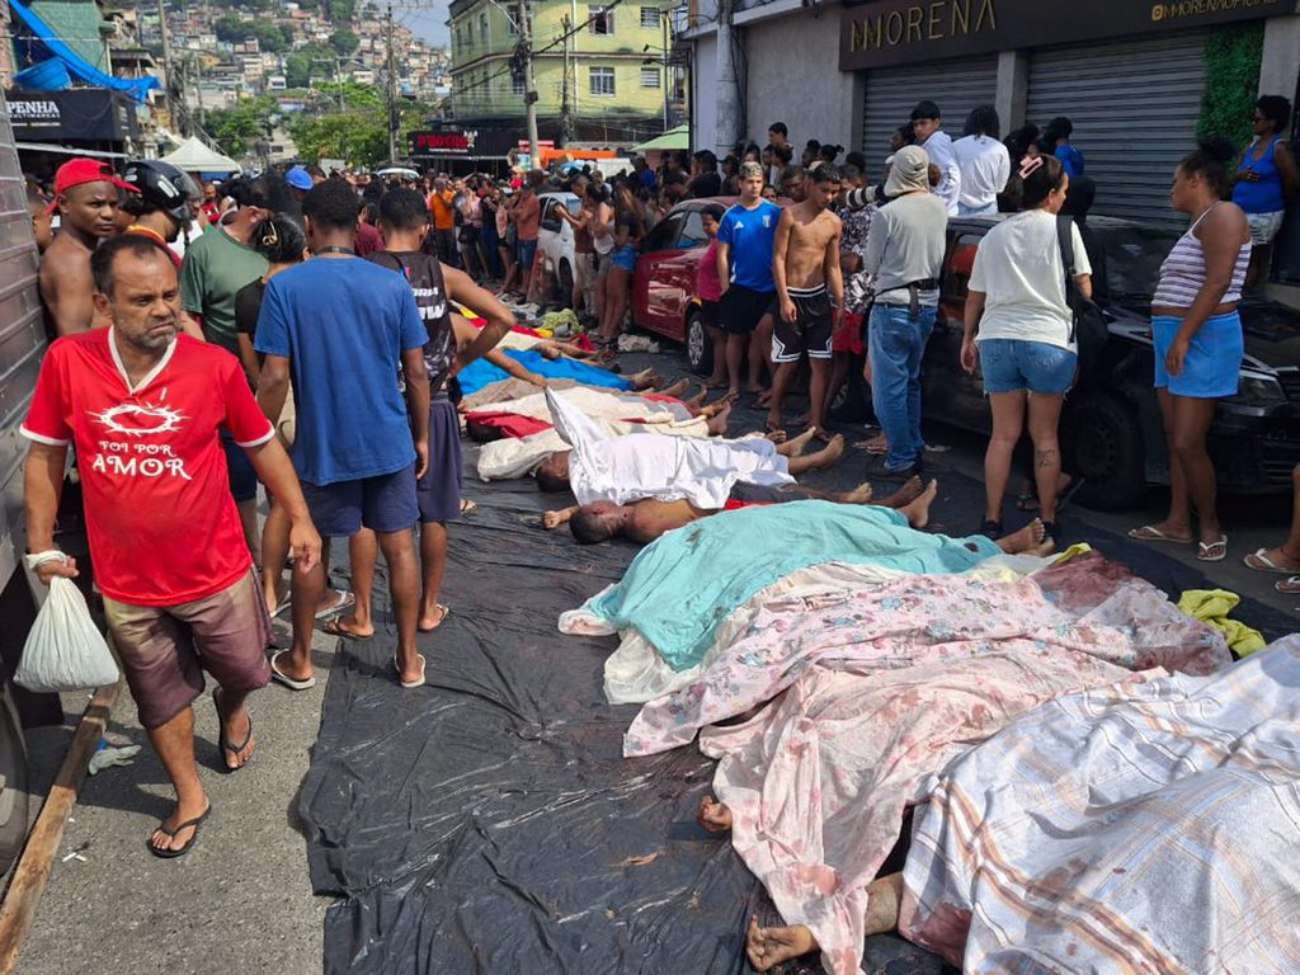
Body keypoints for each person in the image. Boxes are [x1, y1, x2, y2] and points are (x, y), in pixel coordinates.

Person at [21, 233, 321, 857]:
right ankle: (189, 794)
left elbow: (261, 442)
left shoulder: (211, 366)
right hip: (128, 583)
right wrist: (41, 545)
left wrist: (299, 516)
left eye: (169, 296)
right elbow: (46, 455)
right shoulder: (68, 363)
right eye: (143, 299)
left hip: (218, 571)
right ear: (103, 303)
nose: (164, 310)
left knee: (245, 670)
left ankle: (231, 709)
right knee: (156, 695)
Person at [254, 180, 431, 689]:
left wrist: (262, 441)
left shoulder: (286, 287)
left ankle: (302, 659)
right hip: (389, 440)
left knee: (312, 550)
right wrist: (420, 438)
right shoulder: (392, 282)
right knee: (400, 548)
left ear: (307, 225)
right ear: (360, 226)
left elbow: (273, 377)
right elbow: (416, 373)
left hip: (323, 447)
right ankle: (409, 660)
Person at [328, 188, 512, 639]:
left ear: (372, 222)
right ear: (426, 228)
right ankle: (428, 608)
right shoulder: (443, 273)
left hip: (377, 407)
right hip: (436, 403)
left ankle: (364, 613)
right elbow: (502, 319)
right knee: (435, 513)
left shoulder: (360, 273)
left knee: (369, 514)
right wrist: (460, 363)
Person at [1129, 138, 1251, 563]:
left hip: (1202, 338)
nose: (1170, 191)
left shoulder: (1225, 214)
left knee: (1187, 441)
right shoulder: (1199, 223)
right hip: (1175, 336)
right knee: (1172, 435)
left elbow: (1218, 282)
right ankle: (1178, 521)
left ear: (1197, 180)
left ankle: (1211, 524)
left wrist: (1183, 336)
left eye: (1175, 182)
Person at [960, 154, 1090, 542]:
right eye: (1064, 191)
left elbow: (974, 295)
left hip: (998, 338)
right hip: (1048, 341)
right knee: (1045, 437)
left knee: (1002, 436)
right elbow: (1085, 288)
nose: (1065, 198)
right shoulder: (1065, 230)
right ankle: (1047, 520)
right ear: (1051, 194)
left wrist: (968, 338)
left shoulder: (994, 235)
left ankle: (991, 518)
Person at [181, 174, 280, 563]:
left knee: (279, 460)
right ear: (255, 213)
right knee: (240, 470)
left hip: (279, 376)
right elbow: (188, 314)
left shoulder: (277, 248)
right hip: (230, 380)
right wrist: (214, 365)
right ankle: (253, 551)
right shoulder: (204, 252)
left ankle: (280, 539)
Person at [861, 145, 948, 480]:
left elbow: (870, 263)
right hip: (927, 304)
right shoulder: (939, 208)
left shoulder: (888, 213)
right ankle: (914, 446)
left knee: (888, 387)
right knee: (910, 380)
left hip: (893, 304)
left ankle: (900, 458)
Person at [768, 165, 844, 436]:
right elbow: (777, 257)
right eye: (825, 190)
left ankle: (816, 421)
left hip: (818, 299)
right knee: (787, 362)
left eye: (834, 192)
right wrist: (784, 298)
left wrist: (841, 302)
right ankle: (775, 414)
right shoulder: (790, 216)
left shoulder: (833, 222)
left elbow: (833, 266)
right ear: (810, 184)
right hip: (793, 295)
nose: (829, 197)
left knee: (820, 363)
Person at [39, 158, 137, 337]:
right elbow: (75, 340)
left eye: (113, 205)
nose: (108, 214)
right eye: (96, 204)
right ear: (63, 204)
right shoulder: (72, 260)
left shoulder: (84, 250)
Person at [717, 162, 783, 398]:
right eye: (750, 182)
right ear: (740, 184)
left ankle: (775, 385)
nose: (754, 186)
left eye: (758, 182)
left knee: (764, 335)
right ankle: (734, 384)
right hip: (741, 285)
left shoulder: (774, 213)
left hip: (771, 287)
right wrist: (725, 285)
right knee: (736, 336)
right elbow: (722, 253)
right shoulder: (730, 216)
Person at [1232, 95, 1298, 288]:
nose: (1254, 123)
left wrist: (1274, 198)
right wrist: (1239, 176)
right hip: (1240, 212)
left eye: (1258, 119)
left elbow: (1292, 180)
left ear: (1272, 122)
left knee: (1252, 260)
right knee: (1236, 258)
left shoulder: (1279, 148)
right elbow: (1232, 177)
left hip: (1264, 215)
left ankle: (1243, 302)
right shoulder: (1250, 147)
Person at [597, 181, 644, 354]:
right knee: (613, 295)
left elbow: (621, 241)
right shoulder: (633, 213)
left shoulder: (624, 216)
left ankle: (609, 331)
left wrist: (608, 231)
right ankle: (607, 331)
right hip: (623, 254)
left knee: (617, 297)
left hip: (623, 254)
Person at [952, 105, 1010, 216]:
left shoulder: (956, 146)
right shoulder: (1000, 149)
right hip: (989, 209)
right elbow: (1000, 187)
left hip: (959, 207)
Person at [697, 204, 729, 388]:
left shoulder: (721, 244)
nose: (705, 228)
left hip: (716, 296)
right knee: (716, 337)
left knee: (719, 338)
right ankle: (717, 375)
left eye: (708, 224)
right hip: (708, 295)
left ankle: (719, 376)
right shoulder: (714, 242)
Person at [910, 100, 960, 215]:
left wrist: (936, 203)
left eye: (923, 123)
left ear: (936, 123)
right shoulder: (933, 142)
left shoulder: (935, 144)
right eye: (915, 125)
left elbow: (952, 176)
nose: (918, 129)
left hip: (941, 213)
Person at [510, 171, 542, 300]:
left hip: (530, 236)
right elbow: (511, 214)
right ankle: (523, 287)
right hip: (521, 235)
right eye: (524, 189)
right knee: (522, 263)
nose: (525, 192)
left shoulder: (533, 200)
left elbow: (522, 217)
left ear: (532, 189)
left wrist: (517, 212)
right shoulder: (522, 200)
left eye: (527, 189)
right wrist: (517, 210)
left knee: (527, 265)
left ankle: (525, 288)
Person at [428, 175, 458, 266]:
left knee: (451, 246)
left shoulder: (450, 194)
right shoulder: (433, 197)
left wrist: (441, 197)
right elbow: (432, 212)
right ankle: (443, 264)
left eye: (440, 184)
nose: (438, 187)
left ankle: (453, 264)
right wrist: (432, 224)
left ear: (444, 185)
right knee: (441, 247)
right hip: (438, 226)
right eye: (436, 185)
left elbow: (449, 206)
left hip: (449, 225)